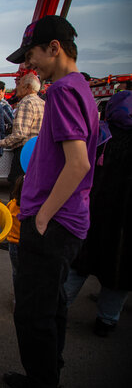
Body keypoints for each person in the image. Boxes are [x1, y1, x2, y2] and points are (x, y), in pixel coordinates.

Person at [3, 15, 98, 388]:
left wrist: (41, 217)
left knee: (33, 314)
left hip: (53, 222)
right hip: (68, 219)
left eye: (32, 55)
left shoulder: (60, 90)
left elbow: (78, 163)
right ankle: (48, 374)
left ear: (54, 48)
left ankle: (40, 381)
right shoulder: (80, 88)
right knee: (52, 305)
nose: (29, 66)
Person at [63, 90, 131, 337]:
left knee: (78, 262)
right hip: (122, 222)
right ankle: (107, 320)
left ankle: (60, 306)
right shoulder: (101, 135)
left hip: (92, 211)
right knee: (118, 271)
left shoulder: (101, 136)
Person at [0, 73, 45, 184]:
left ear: (28, 87)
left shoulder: (26, 103)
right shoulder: (42, 103)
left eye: (19, 84)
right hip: (38, 149)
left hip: (24, 150)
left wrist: (0, 143)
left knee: (17, 183)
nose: (16, 88)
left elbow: (20, 133)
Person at [6, 176, 24, 284]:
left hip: (12, 243)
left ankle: (17, 297)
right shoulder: (32, 209)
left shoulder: (11, 204)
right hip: (25, 244)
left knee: (16, 271)